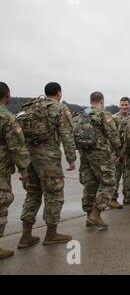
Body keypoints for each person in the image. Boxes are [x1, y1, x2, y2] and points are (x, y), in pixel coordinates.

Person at [18, 82, 76, 248]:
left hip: (29, 157)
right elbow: (66, 135)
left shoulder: (29, 107)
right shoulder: (59, 108)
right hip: (48, 159)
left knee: (33, 194)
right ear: (59, 93)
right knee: (54, 194)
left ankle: (26, 235)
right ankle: (51, 234)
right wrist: (71, 159)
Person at [76, 92, 121, 229]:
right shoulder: (104, 114)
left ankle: (90, 216)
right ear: (102, 101)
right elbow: (113, 135)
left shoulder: (82, 114)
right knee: (109, 182)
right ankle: (95, 214)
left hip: (85, 154)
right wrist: (118, 150)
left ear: (91, 101)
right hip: (100, 154)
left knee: (90, 184)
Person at [0, 82, 30, 259]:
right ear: (8, 95)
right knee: (2, 200)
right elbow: (17, 147)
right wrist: (24, 171)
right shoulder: (7, 118)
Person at [111, 97, 130, 208]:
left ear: (129, 105)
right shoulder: (114, 118)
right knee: (116, 176)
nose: (124, 107)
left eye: (126, 105)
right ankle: (113, 198)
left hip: (128, 152)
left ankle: (127, 196)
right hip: (117, 152)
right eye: (122, 105)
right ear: (120, 105)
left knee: (128, 176)